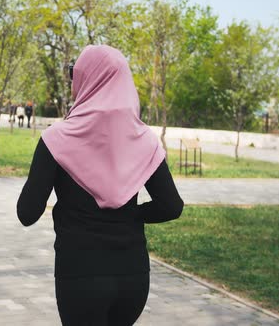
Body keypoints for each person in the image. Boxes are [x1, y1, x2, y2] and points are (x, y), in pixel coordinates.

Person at [17, 45, 184, 325]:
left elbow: (27, 213)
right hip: (133, 277)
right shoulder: (145, 139)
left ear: (85, 79)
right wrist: (132, 214)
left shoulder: (57, 139)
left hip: (80, 277)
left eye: (74, 73)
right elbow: (171, 206)